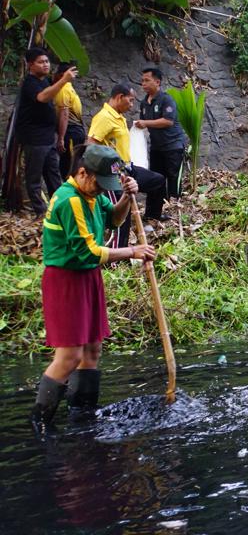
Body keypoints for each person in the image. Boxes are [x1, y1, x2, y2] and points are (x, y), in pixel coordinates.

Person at [30, 145, 156, 436]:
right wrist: (132, 251)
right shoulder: (69, 199)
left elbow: (113, 219)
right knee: (70, 356)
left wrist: (126, 196)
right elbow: (87, 251)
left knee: (92, 350)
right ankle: (40, 424)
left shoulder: (90, 194)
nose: (102, 190)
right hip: (66, 279)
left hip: (88, 277)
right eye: (101, 183)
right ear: (83, 172)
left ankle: (82, 417)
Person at [87, 83, 169, 247]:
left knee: (158, 181)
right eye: (130, 101)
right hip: (113, 173)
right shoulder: (104, 117)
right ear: (119, 97)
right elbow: (91, 145)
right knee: (120, 213)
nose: (132, 105)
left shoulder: (118, 116)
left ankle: (152, 218)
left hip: (127, 167)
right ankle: (117, 253)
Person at [16, 48, 76, 215]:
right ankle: (41, 212)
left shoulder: (44, 81)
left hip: (48, 138)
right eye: (41, 62)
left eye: (47, 61)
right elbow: (42, 97)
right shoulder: (30, 82)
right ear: (30, 65)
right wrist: (64, 80)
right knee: (34, 177)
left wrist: (58, 136)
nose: (46, 65)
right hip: (34, 139)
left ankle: (60, 209)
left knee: (54, 175)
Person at [135, 67, 188, 198]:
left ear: (157, 82)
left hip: (173, 145)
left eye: (147, 80)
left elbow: (168, 121)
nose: (143, 84)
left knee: (173, 177)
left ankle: (175, 205)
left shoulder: (166, 99)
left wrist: (145, 123)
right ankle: (160, 207)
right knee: (157, 177)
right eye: (142, 81)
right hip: (156, 147)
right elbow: (143, 123)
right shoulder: (143, 103)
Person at [53, 62, 86, 179]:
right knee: (74, 164)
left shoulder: (63, 89)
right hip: (77, 132)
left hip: (71, 133)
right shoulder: (70, 88)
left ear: (61, 74)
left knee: (69, 167)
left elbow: (64, 113)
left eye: (56, 73)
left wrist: (61, 138)